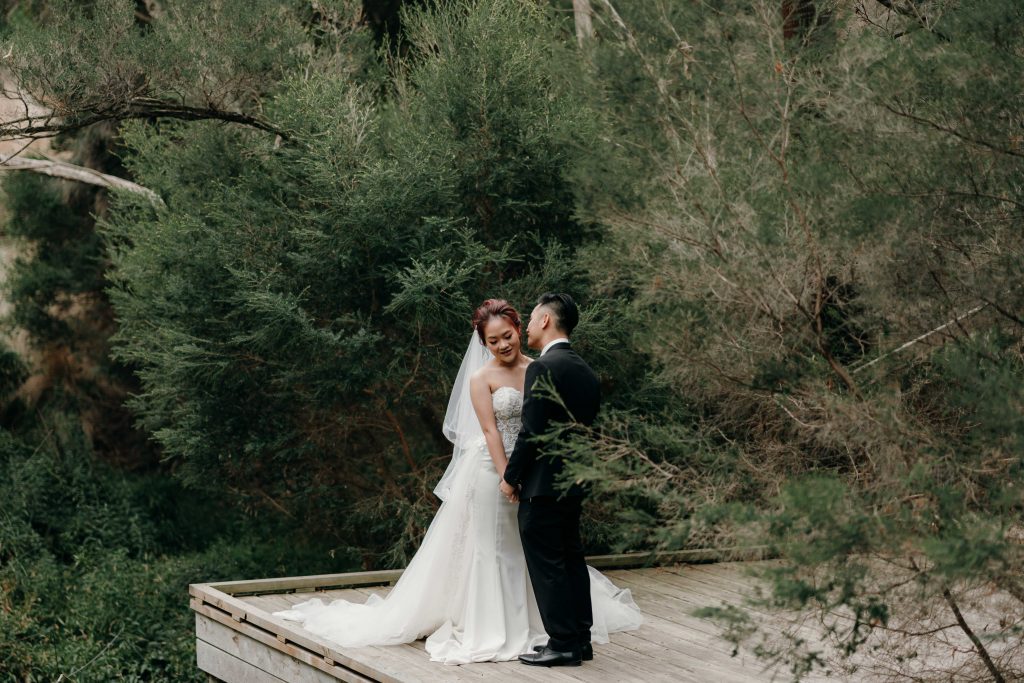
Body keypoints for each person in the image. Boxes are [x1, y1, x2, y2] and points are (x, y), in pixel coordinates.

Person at [273, 298, 641, 665]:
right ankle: (508, 626)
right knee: (498, 549)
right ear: (483, 344)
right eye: (493, 341)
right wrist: (506, 478)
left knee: (537, 554)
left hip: (538, 477)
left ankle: (553, 632)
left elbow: (539, 428)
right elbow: (490, 431)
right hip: (494, 472)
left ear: (521, 327)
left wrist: (520, 476)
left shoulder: (541, 367)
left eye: (509, 335)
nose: (503, 344)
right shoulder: (483, 378)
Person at [501, 292, 601, 667]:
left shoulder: (542, 368)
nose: (526, 325)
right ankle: (580, 639)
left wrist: (511, 478)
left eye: (530, 318)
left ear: (545, 320)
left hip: (543, 485)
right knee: (571, 558)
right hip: (574, 481)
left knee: (548, 563)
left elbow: (532, 431)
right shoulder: (585, 371)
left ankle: (562, 642)